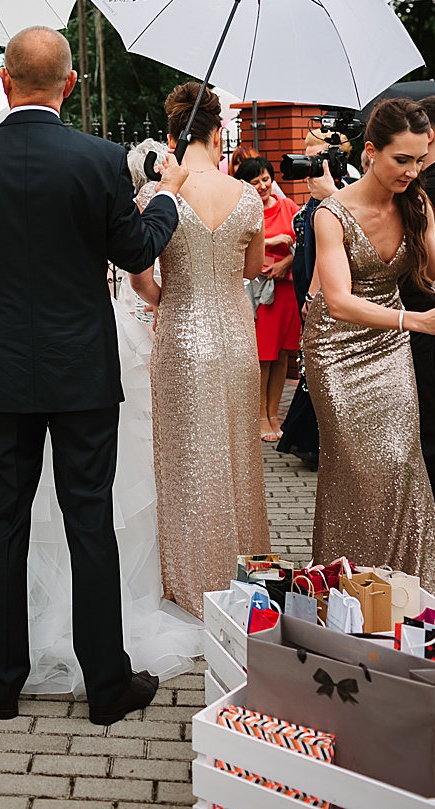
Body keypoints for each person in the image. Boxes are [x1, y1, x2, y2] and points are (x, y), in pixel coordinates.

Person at [0, 28, 188, 725]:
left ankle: (1, 680)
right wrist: (165, 199)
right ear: (72, 81)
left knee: (2, 519)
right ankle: (107, 686)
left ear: (3, 79)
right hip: (82, 370)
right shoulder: (97, 161)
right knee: (90, 519)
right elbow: (137, 246)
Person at [127, 82, 270, 615]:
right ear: (219, 133)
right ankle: (246, 581)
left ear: (173, 136)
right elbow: (254, 270)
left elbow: (141, 281)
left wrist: (175, 299)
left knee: (186, 463)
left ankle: (189, 587)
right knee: (237, 458)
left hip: (182, 340)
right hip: (236, 340)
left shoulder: (154, 197)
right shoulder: (249, 196)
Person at [301, 98, 435, 590]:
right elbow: (337, 301)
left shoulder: (417, 203)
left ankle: (406, 588)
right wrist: (417, 321)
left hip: (390, 347)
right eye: (402, 159)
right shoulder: (331, 215)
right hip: (337, 350)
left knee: (401, 460)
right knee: (355, 469)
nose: (412, 170)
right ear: (371, 152)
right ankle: (345, 587)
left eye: (420, 159)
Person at [276, 125, 351, 468]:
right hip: (305, 284)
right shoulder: (314, 200)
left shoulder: (342, 196)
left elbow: (330, 254)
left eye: (313, 159)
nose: (305, 166)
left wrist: (312, 296)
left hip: (323, 293)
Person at [234, 156, 300, 442]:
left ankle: (274, 415)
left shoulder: (288, 207)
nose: (262, 185)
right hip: (261, 292)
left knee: (284, 355)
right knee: (264, 356)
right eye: (255, 181)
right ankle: (260, 416)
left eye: (266, 179)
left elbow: (303, 242)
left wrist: (286, 263)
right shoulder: (245, 211)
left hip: (287, 289)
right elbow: (240, 248)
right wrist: (272, 243)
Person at [400, 93, 435, 501]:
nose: (411, 170)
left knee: (425, 411)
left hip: (418, 312)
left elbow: (432, 267)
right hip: (418, 314)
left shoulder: (423, 192)